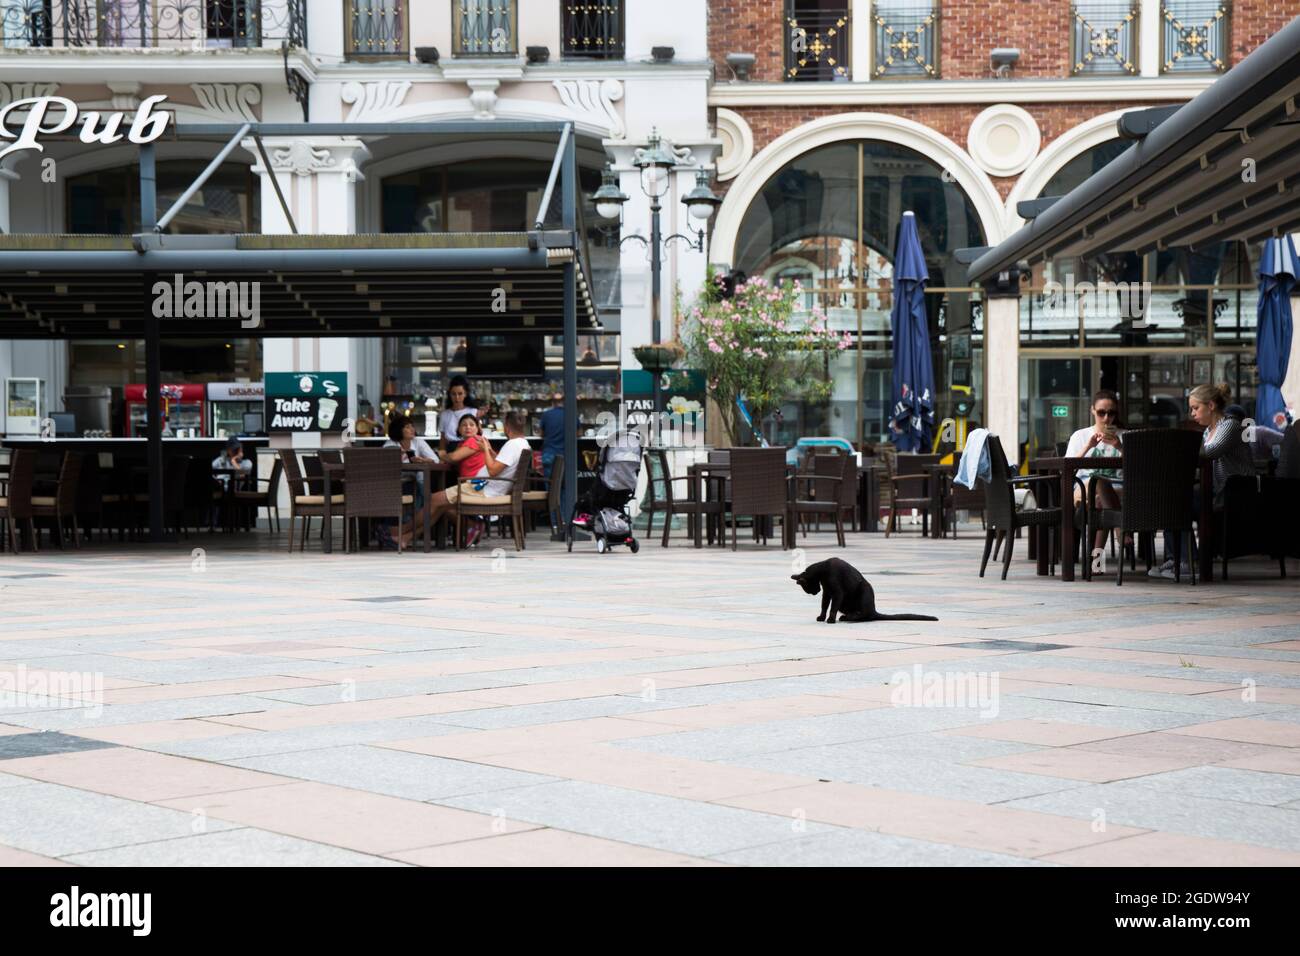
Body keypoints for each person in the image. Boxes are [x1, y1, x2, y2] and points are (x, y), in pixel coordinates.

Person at [1151, 382, 1255, 579]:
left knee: (1178, 501)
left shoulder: (1230, 425)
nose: (1192, 413)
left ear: (1211, 406)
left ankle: (1188, 561)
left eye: (1195, 408)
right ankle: (1178, 558)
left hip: (1235, 494)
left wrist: (1177, 448)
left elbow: (1208, 453)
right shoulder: (1209, 431)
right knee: (1171, 499)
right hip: (1217, 491)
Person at [419, 410, 530, 546]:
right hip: (486, 488)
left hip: (482, 489)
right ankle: (406, 536)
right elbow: (500, 464)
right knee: (440, 504)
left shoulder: (512, 445)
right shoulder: (523, 444)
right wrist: (489, 451)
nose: (468, 427)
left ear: (506, 426)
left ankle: (404, 534)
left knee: (433, 500)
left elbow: (493, 470)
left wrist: (484, 451)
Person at [1064, 389, 1125, 552]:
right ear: (1092, 410)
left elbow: (1139, 467)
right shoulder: (1080, 436)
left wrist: (1119, 446)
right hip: (1084, 489)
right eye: (1101, 412)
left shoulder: (1124, 436)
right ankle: (1120, 528)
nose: (1106, 418)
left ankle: (1096, 562)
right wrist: (1088, 446)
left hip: (1118, 490)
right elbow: (1068, 469)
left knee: (1100, 501)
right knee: (1096, 481)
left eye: (1111, 413)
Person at [437, 375, 478, 456]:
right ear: (450, 395)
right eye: (453, 394)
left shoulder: (473, 411)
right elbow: (443, 439)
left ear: (465, 394)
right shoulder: (444, 414)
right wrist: (442, 455)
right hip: (450, 449)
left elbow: (478, 434)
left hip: (468, 448)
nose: (457, 397)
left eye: (460, 394)